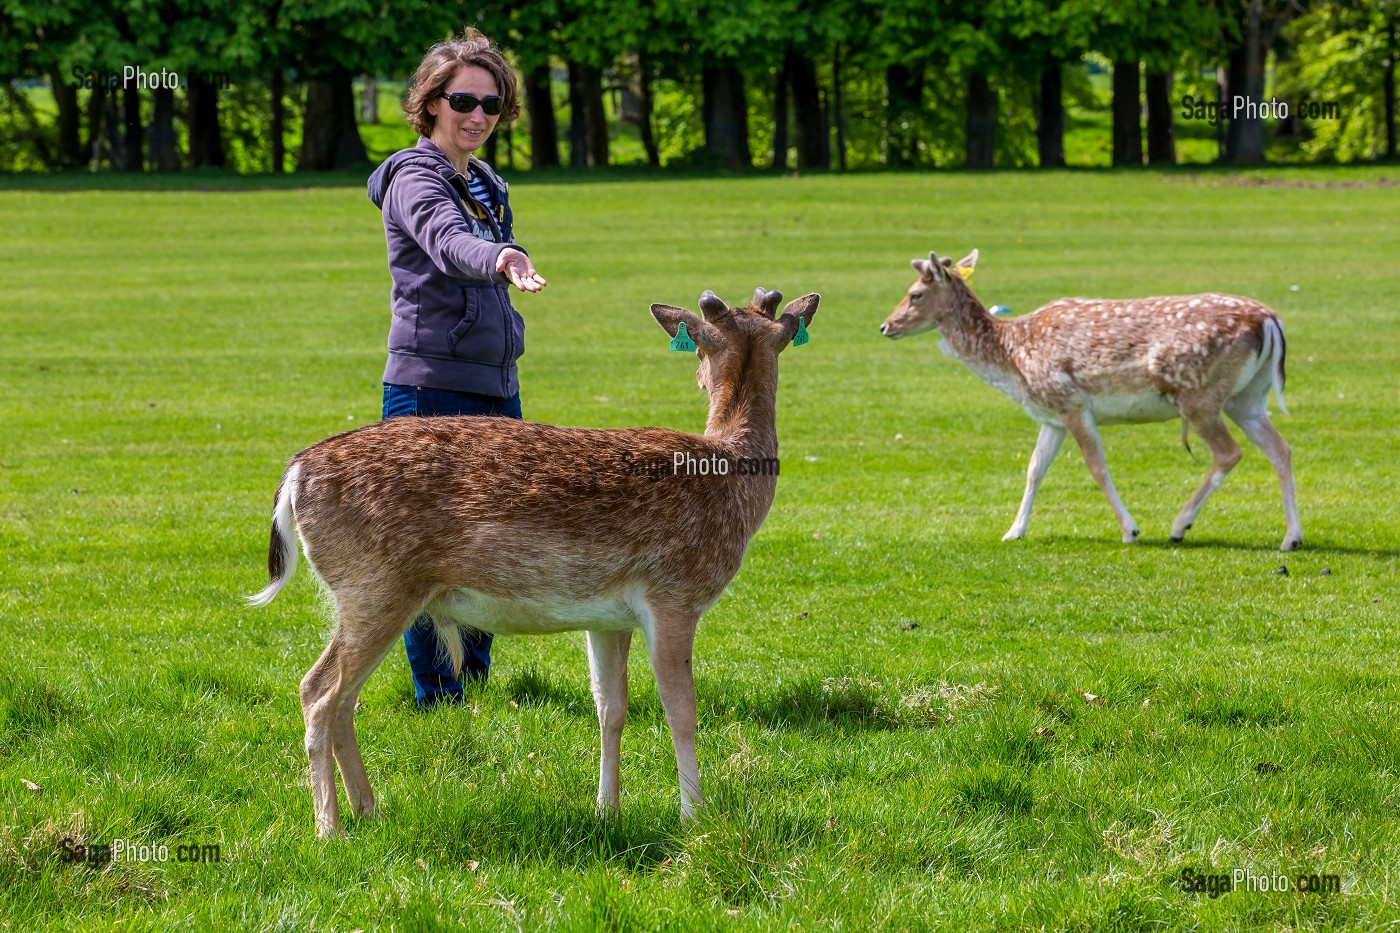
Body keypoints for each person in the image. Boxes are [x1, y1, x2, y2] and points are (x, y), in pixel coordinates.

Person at [365, 29, 546, 707]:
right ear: (430, 103)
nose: (477, 115)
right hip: (430, 388)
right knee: (421, 557)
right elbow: (446, 239)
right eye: (463, 100)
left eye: (491, 104)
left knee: (494, 546)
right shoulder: (414, 177)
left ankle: (476, 686)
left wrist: (505, 256)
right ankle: (437, 702)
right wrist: (500, 258)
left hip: (496, 390)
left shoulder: (488, 180)